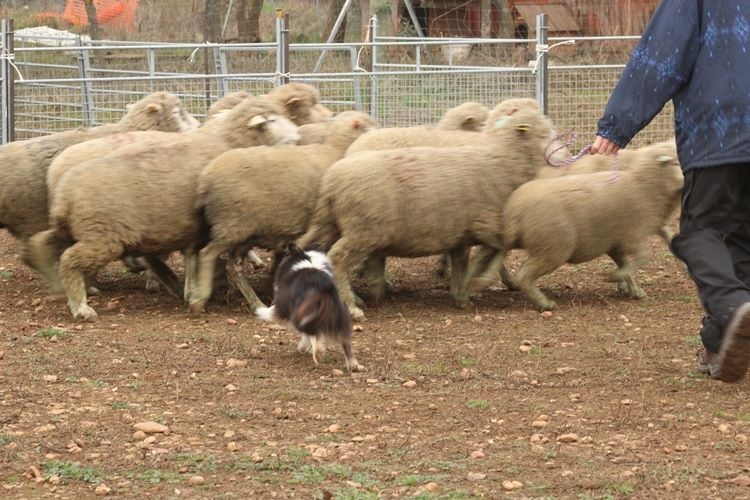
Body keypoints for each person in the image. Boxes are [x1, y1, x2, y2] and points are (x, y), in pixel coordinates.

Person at [591, 0, 750, 382]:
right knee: (742, 239)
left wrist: (617, 125)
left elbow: (661, 54)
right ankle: (720, 340)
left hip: (721, 128)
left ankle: (733, 310)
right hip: (723, 128)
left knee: (703, 231)